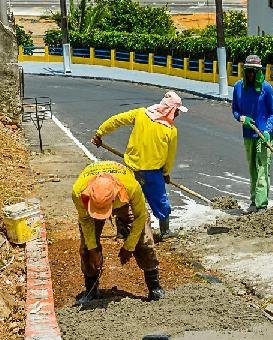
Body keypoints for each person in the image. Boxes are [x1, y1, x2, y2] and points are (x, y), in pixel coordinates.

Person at [91, 91, 188, 239]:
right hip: (153, 173)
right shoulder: (171, 130)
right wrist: (166, 173)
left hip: (131, 169)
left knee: (125, 200)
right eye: (177, 111)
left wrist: (100, 133)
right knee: (160, 201)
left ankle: (123, 231)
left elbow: (117, 120)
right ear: (171, 110)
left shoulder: (141, 114)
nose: (177, 115)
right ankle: (165, 231)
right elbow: (170, 156)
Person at [71, 160, 165, 304]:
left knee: (144, 240)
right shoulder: (79, 191)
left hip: (124, 202)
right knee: (86, 249)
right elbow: (85, 220)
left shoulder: (131, 187)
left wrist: (129, 246)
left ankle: (154, 286)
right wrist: (93, 249)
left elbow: (141, 216)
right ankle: (91, 289)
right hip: (91, 205)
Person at [231, 55, 273, 213]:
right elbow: (235, 110)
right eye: (249, 71)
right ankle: (253, 202)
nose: (251, 74)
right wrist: (241, 117)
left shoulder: (267, 88)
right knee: (252, 169)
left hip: (264, 135)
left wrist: (267, 130)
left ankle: (262, 204)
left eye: (254, 72)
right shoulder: (238, 87)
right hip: (248, 135)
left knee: (262, 169)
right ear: (245, 71)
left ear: (260, 72)